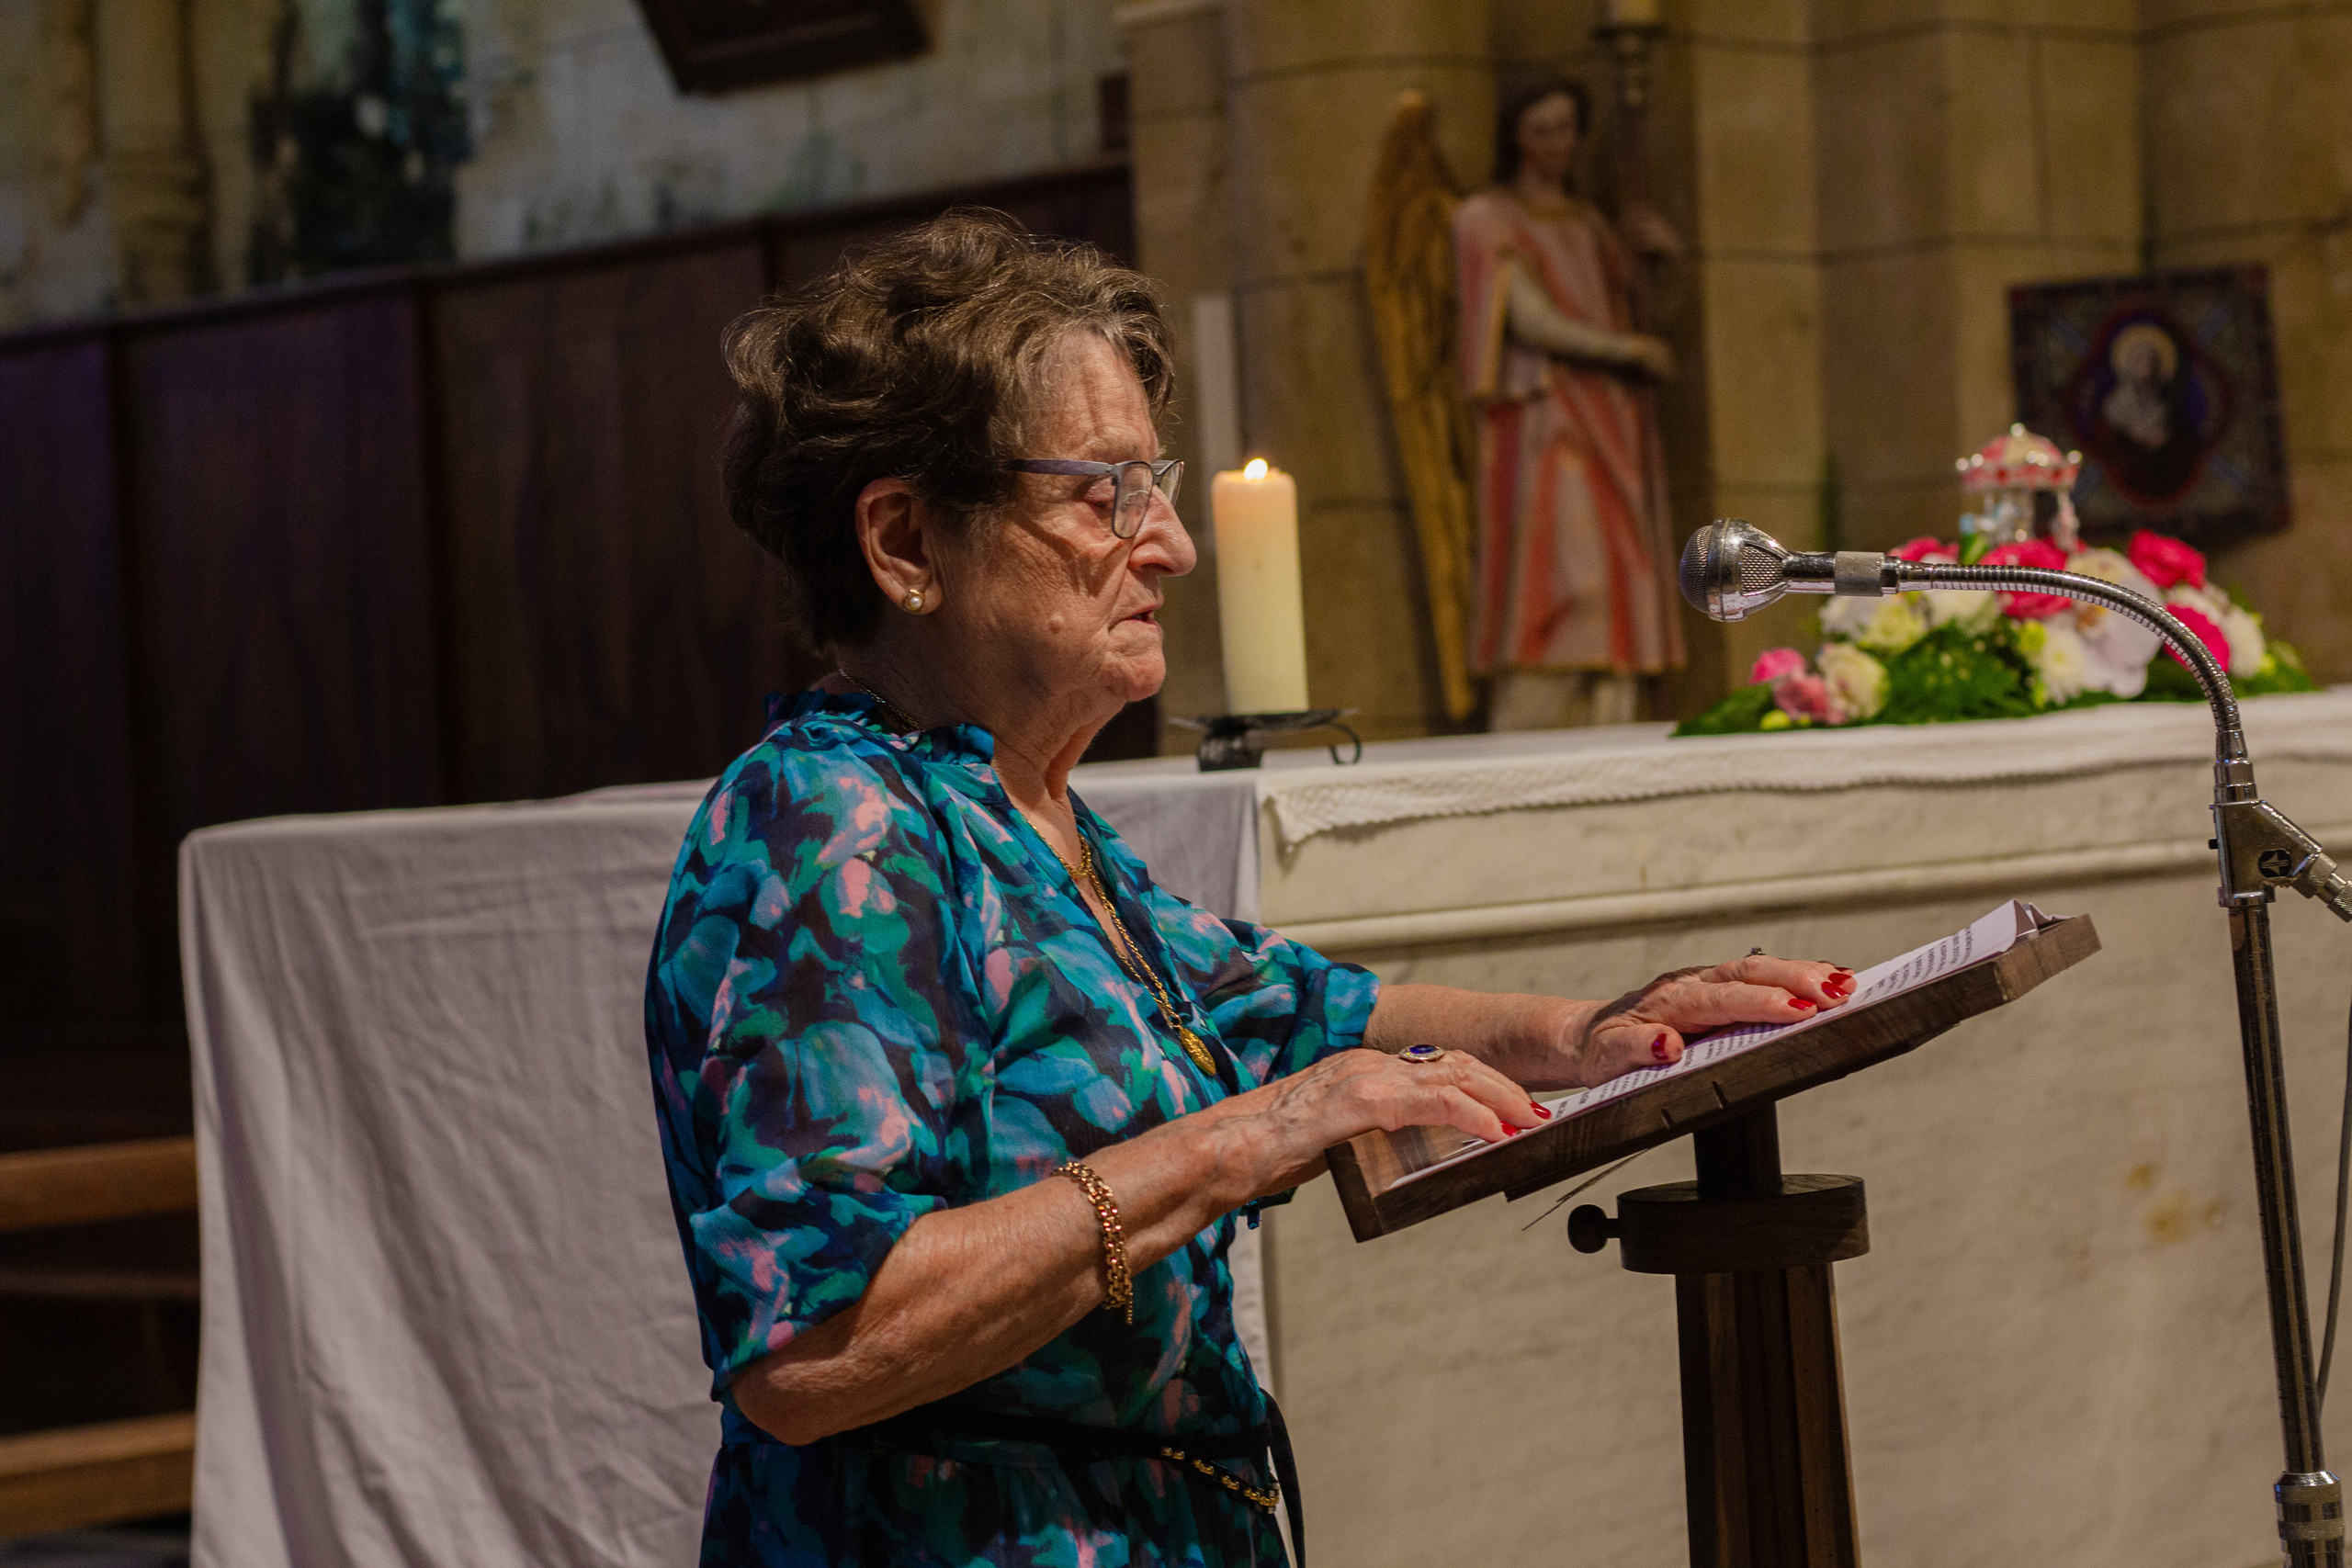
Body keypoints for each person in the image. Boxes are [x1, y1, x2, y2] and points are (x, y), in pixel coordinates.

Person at [643, 211, 1854, 1567]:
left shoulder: (1012, 810)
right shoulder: (833, 824)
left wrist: (1590, 1033)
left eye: (1154, 486)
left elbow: (1290, 1012)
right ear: (906, 539)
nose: (1171, 544)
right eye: (1105, 493)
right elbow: (811, 1349)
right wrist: (1240, 1141)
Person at [1454, 80, 1686, 732]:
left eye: (1566, 129)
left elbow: (1647, 311)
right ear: (1514, 137)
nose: (1557, 144)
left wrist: (1666, 259)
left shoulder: (1589, 224)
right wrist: (1626, 349)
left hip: (1611, 415)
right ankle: (1537, 708)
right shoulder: (1486, 217)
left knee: (1618, 575)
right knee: (1567, 574)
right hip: (1546, 418)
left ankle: (1613, 710)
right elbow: (1530, 320)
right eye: (1542, 130)